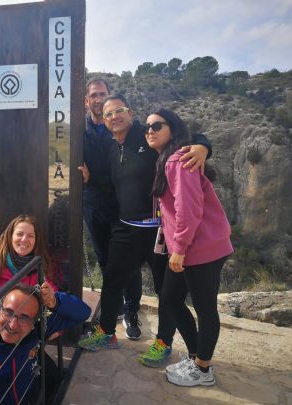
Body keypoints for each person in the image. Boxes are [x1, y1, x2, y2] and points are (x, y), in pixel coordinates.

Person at [78, 94, 211, 371]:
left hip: (160, 230)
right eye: (108, 114)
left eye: (119, 111)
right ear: (104, 120)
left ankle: (163, 343)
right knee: (112, 279)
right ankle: (106, 333)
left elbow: (185, 135)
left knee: (166, 292)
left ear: (130, 112)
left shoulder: (149, 134)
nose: (114, 117)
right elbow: (113, 183)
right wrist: (90, 178)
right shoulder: (112, 148)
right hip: (126, 228)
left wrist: (202, 147)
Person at [144, 108, 233, 386]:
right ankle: (196, 356)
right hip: (188, 247)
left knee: (205, 309)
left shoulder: (177, 160)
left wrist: (179, 248)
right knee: (170, 298)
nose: (150, 131)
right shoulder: (168, 159)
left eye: (157, 126)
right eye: (147, 127)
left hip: (202, 247)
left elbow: (189, 208)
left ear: (172, 129)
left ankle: (203, 370)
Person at [78, 77, 143, 340]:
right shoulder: (77, 130)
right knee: (106, 261)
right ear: (86, 100)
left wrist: (201, 146)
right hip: (93, 206)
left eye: (102, 94)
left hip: (125, 205)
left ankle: (131, 313)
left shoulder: (120, 126)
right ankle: (112, 314)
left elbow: (166, 133)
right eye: (93, 95)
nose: (98, 99)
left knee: (130, 264)